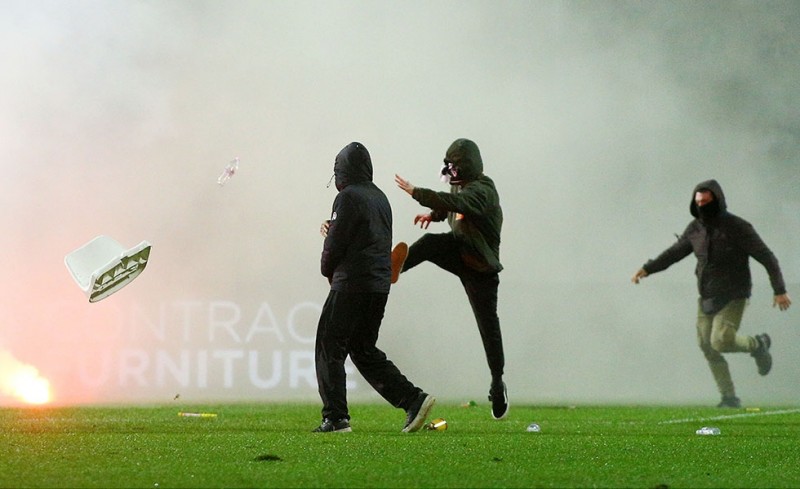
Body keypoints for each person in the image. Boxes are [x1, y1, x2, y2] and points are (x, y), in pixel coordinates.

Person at [631, 179, 791, 408]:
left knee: (721, 340)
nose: (702, 206)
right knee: (707, 345)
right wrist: (648, 268)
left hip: (734, 294)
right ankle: (729, 397)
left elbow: (767, 257)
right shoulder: (695, 229)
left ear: (717, 200)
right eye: (699, 203)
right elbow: (674, 253)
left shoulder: (738, 227)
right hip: (706, 295)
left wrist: (780, 290)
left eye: (706, 202)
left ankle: (757, 344)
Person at [313, 142, 435, 433]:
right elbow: (367, 237)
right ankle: (413, 399)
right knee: (363, 349)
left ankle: (335, 417)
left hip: (351, 283)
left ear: (341, 169)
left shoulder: (346, 198)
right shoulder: (380, 198)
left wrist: (326, 266)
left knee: (329, 346)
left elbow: (335, 246)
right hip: (378, 286)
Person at [393, 138, 509, 420]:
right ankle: (388, 271)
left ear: (466, 167)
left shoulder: (483, 191)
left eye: (454, 166)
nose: (450, 171)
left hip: (480, 267)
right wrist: (433, 215)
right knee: (430, 243)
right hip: (459, 250)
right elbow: (449, 204)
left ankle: (497, 382)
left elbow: (457, 201)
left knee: (488, 327)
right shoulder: (459, 184)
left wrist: (416, 192)